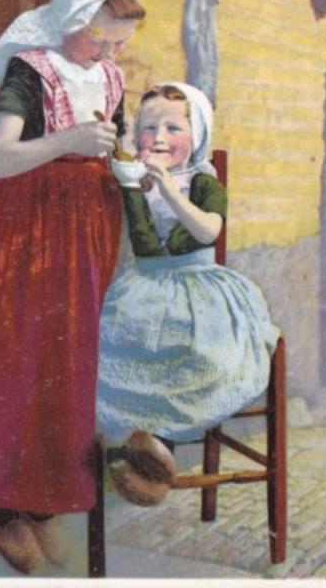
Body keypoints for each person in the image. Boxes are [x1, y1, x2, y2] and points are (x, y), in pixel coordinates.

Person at [0, 0, 145, 572]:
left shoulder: (108, 77)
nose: (105, 49)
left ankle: (44, 505)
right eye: (97, 34)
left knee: (68, 363)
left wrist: (135, 167)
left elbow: (117, 144)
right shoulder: (33, 68)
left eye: (118, 41)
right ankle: (1, 507)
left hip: (89, 230)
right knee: (19, 358)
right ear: (70, 15)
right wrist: (68, 144)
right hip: (27, 234)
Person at [96, 82, 280, 505]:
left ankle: (157, 445)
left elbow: (208, 231)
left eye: (172, 128)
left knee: (198, 349)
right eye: (148, 128)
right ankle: (139, 446)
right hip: (144, 286)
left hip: (200, 285)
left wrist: (170, 190)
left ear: (197, 137)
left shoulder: (202, 181)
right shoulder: (132, 176)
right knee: (119, 343)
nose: (158, 138)